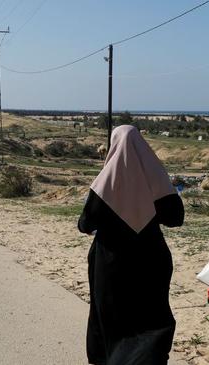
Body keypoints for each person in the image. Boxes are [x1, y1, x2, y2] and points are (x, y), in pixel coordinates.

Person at [78, 125, 184, 365]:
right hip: (150, 257)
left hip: (111, 261)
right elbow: (175, 218)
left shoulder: (105, 183)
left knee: (112, 319)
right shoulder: (155, 176)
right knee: (150, 317)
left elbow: (85, 222)